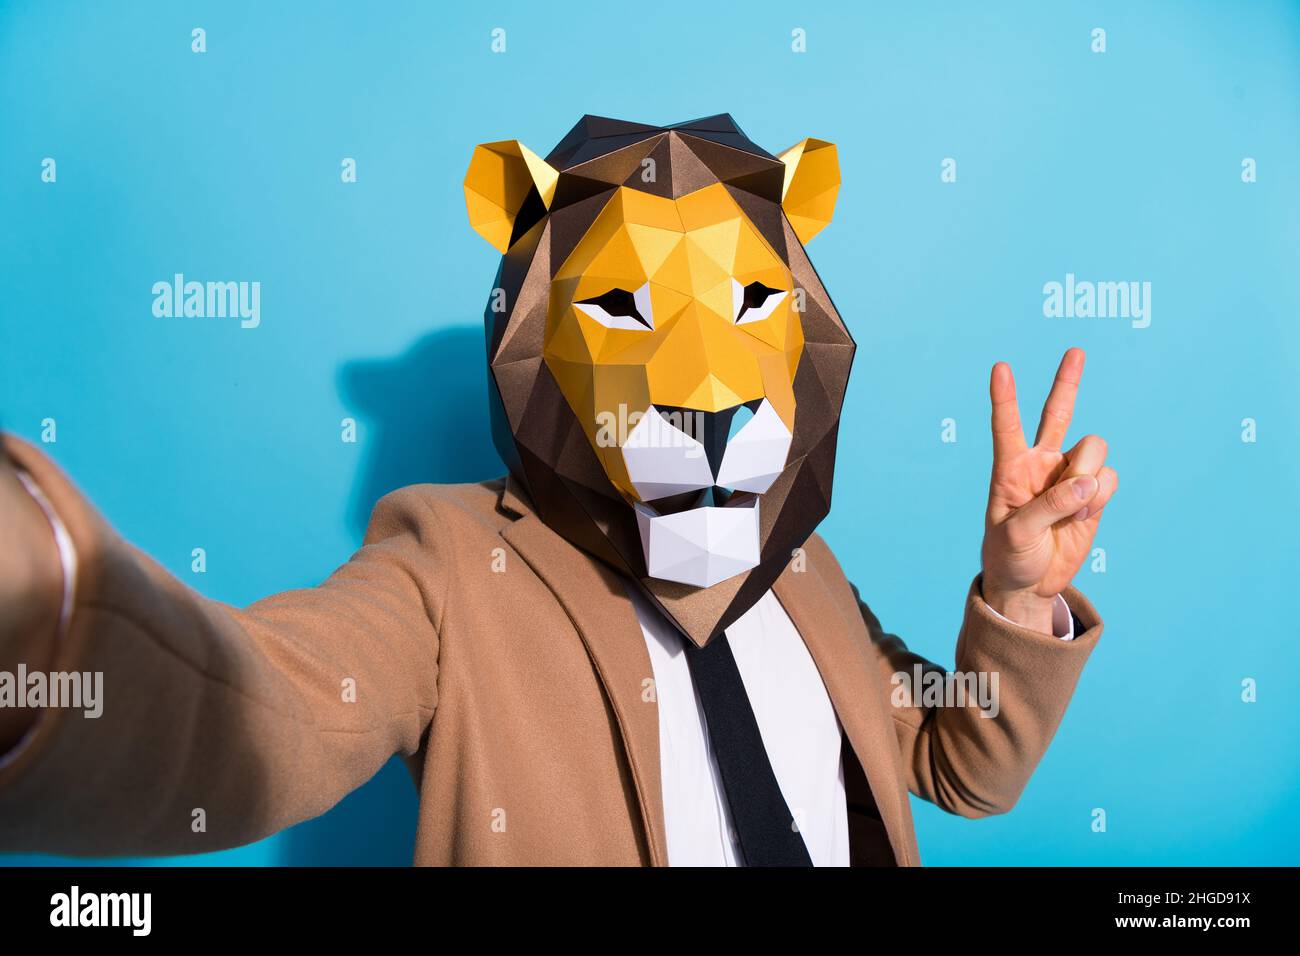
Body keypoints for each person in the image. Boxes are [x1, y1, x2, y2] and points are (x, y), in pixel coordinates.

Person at [0, 116, 1117, 866]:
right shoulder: (448, 565)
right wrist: (46, 618)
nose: (712, 383)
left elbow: (958, 762)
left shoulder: (806, 571)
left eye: (749, 305)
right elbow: (264, 711)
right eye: (622, 307)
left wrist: (1016, 599)